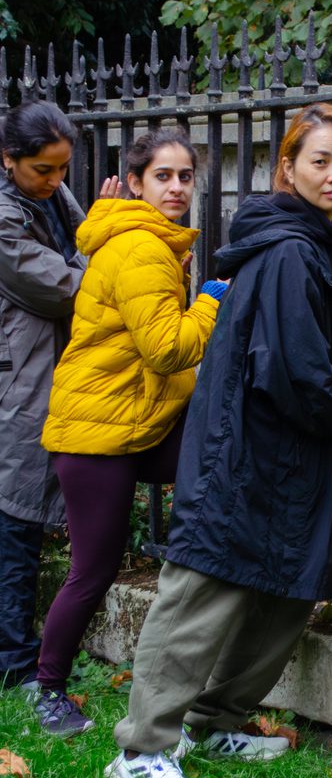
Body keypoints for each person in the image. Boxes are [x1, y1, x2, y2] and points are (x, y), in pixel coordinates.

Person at [104, 102, 332, 778]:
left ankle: (215, 723)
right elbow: (295, 370)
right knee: (201, 592)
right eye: (319, 161)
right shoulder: (290, 250)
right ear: (287, 169)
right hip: (244, 451)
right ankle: (142, 751)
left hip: (290, 454)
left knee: (285, 594)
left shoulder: (319, 239)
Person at [36, 127, 225, 737]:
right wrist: (211, 301)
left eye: (185, 176)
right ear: (136, 183)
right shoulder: (142, 247)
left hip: (134, 422)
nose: (176, 188)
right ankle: (48, 691)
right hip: (96, 434)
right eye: (162, 176)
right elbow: (168, 349)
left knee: (217, 457)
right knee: (93, 570)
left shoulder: (146, 242)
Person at [0, 101, 119, 692]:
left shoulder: (47, 196)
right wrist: (102, 242)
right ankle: (15, 663)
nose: (54, 180)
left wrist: (99, 235)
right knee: (15, 519)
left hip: (50, 373)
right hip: (20, 381)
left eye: (62, 168)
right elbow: (71, 287)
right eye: (42, 170)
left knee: (22, 517)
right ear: (8, 159)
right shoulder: (3, 217)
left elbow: (88, 249)